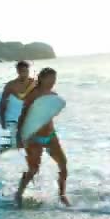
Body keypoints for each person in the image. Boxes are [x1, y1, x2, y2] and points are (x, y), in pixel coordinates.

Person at [15, 67, 70, 207]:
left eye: (54, 79)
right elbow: (23, 116)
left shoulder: (53, 95)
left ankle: (62, 195)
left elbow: (49, 113)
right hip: (34, 138)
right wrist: (20, 136)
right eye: (50, 79)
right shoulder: (33, 95)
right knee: (33, 169)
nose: (53, 82)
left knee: (63, 164)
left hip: (50, 135)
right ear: (42, 79)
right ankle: (19, 193)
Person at [0, 60, 36, 160]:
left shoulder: (33, 83)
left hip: (27, 118)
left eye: (26, 71)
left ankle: (32, 167)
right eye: (22, 71)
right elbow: (2, 102)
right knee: (16, 144)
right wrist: (2, 119)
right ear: (18, 71)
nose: (24, 74)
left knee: (30, 143)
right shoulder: (11, 85)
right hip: (12, 118)